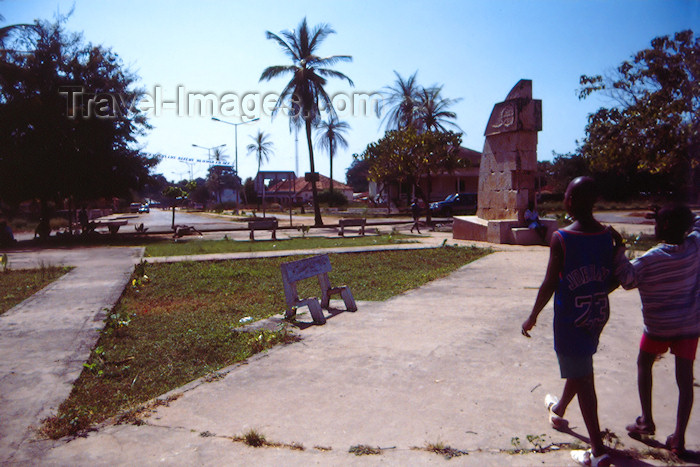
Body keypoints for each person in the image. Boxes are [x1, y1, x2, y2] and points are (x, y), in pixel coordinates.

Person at [522, 177, 616, 467]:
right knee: (581, 364)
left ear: (571, 201)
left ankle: (598, 451)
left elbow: (550, 282)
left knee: (585, 379)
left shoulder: (561, 238)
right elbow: (611, 279)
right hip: (597, 313)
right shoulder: (607, 235)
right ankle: (559, 409)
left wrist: (533, 315)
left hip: (571, 317)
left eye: (566, 195)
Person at [613, 204, 699, 456]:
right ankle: (679, 439)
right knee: (685, 382)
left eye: (658, 220)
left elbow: (627, 279)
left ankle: (646, 420)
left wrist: (619, 251)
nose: (655, 225)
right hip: (689, 326)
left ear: (667, 225)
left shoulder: (651, 258)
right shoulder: (695, 247)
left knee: (644, 364)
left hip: (658, 327)